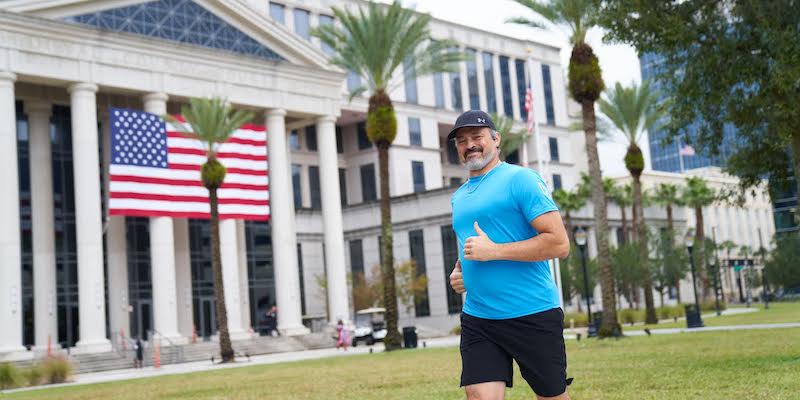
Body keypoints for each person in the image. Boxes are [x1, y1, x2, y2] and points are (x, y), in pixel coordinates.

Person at [447, 110, 572, 400]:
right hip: (480, 317)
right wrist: (460, 272)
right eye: (462, 141)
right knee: (479, 395)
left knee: (552, 397)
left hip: (532, 312)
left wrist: (495, 252)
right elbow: (472, 244)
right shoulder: (460, 196)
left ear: (495, 138)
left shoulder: (522, 180)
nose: (470, 145)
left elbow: (559, 244)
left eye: (477, 137)